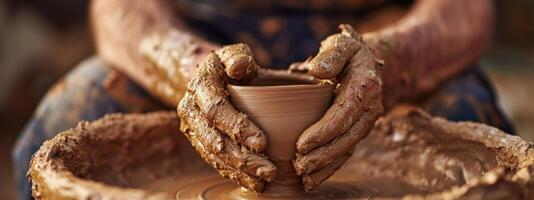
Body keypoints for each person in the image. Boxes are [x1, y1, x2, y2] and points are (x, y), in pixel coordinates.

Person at [13, 0, 513, 199]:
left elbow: (466, 9)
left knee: (465, 128)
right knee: (68, 119)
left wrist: (392, 61)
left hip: (381, 34)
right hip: (197, 33)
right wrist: (185, 65)